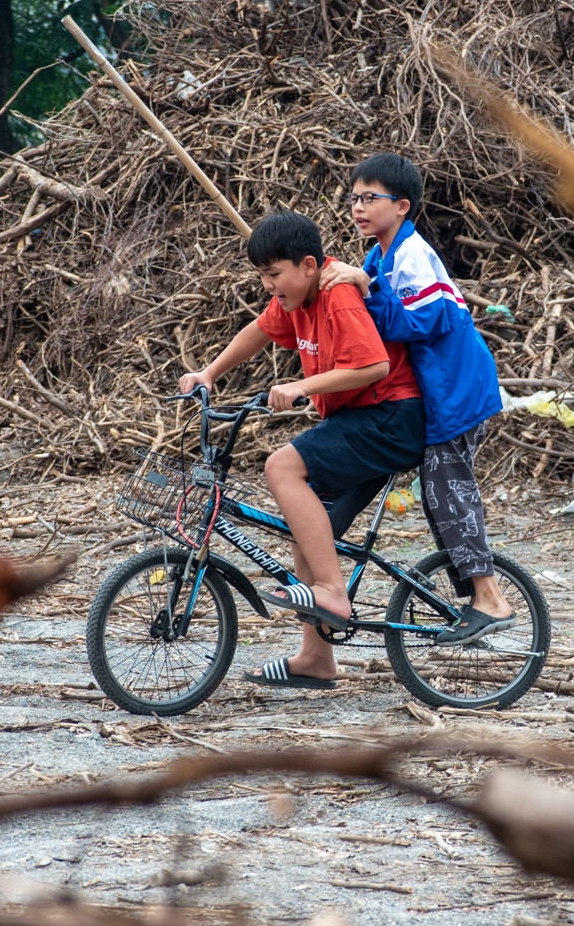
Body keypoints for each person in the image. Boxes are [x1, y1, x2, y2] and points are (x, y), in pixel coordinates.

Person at [177, 211, 425, 689]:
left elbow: (373, 365)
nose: (269, 286)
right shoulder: (296, 298)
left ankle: (332, 592)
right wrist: (209, 372)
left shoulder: (337, 295)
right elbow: (260, 329)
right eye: (262, 276)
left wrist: (301, 386)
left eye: (274, 274)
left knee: (283, 467)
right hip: (366, 419)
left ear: (308, 265)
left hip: (390, 417)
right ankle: (316, 658)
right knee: (310, 527)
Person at [320, 153, 512, 645]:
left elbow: (419, 322)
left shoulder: (412, 255)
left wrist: (367, 289)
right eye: (354, 198)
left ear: (402, 206)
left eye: (371, 198)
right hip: (435, 392)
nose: (358, 207)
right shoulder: (379, 255)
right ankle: (473, 596)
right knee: (435, 496)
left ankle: (489, 596)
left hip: (456, 390)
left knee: (448, 489)